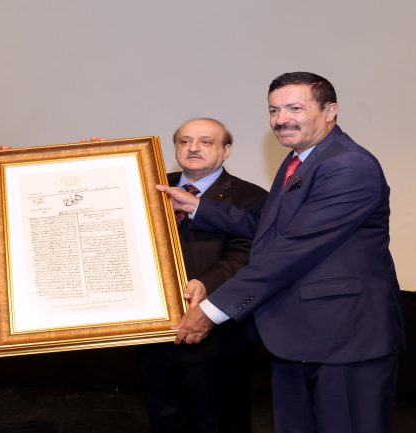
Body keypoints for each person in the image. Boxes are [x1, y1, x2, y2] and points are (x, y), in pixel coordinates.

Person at [159, 72, 404, 433]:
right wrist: (198, 208)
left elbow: (292, 249)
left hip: (343, 339)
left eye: (294, 108)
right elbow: (271, 230)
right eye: (274, 110)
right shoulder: (299, 160)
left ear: (330, 111)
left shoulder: (348, 164)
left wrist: (211, 311)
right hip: (296, 336)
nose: (281, 119)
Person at [139, 118, 267, 433]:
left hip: (217, 338)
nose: (193, 148)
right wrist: (100, 160)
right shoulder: (149, 184)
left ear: (226, 150)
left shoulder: (250, 197)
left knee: (219, 423)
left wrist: (206, 283)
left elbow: (245, 253)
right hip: (154, 335)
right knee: (165, 422)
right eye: (185, 141)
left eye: (206, 142)